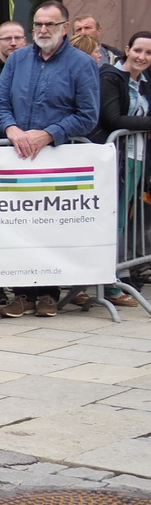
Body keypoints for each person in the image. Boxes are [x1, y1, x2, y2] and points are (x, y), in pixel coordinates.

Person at [0, 1, 101, 319]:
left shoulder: (81, 64)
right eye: (37, 24)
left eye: (49, 25)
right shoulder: (18, 59)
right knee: (17, 227)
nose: (41, 30)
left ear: (65, 28)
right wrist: (11, 129)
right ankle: (22, 294)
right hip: (17, 158)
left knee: (50, 227)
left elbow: (88, 115)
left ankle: (49, 294)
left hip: (57, 160)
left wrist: (48, 134)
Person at [96, 30, 151, 306]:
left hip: (138, 158)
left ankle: (120, 274)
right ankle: (106, 283)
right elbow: (113, 118)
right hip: (116, 157)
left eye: (148, 53)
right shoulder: (110, 77)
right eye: (138, 50)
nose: (142, 57)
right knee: (111, 219)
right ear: (126, 50)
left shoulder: (144, 82)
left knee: (125, 220)